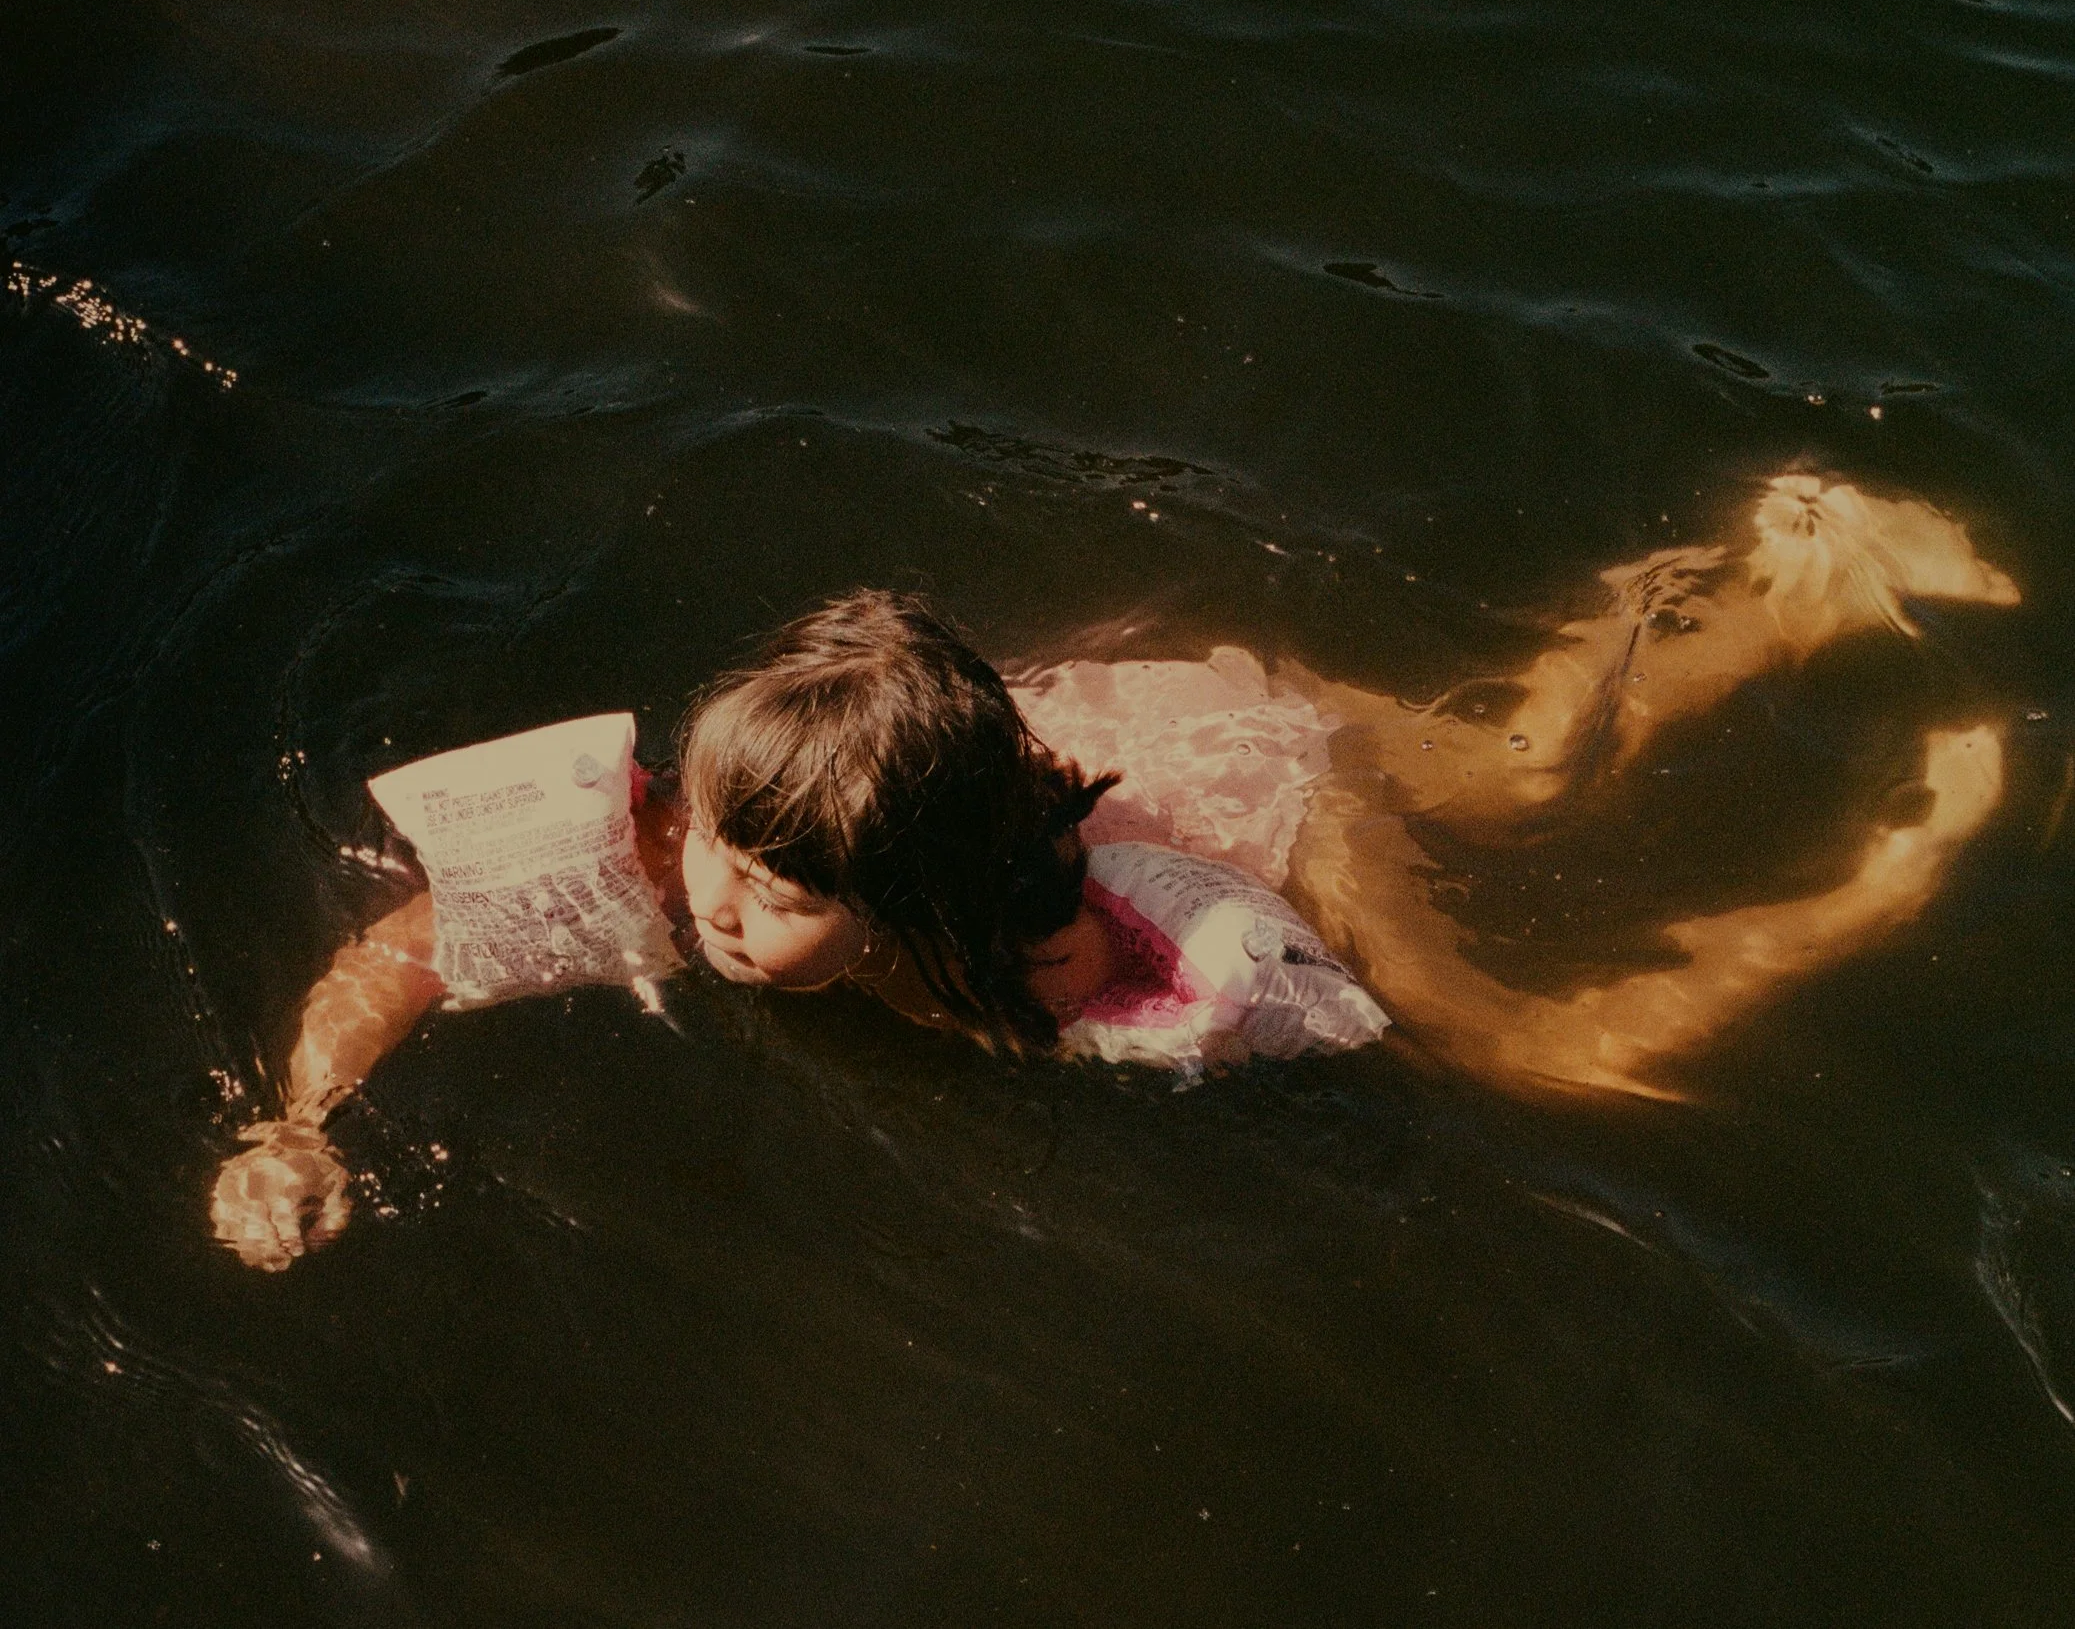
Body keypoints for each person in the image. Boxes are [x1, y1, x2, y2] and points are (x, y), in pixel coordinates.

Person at [209, 474, 2020, 1269]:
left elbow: (1177, 995)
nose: (716, 913)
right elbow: (408, 949)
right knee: (1523, 759)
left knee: (1539, 1031)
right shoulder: (710, 840)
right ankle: (1792, 564)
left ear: (911, 909)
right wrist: (297, 1120)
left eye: (779, 900)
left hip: (1256, 799)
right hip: (1030, 745)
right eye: (721, 860)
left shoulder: (1059, 943)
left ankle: (1889, 849)